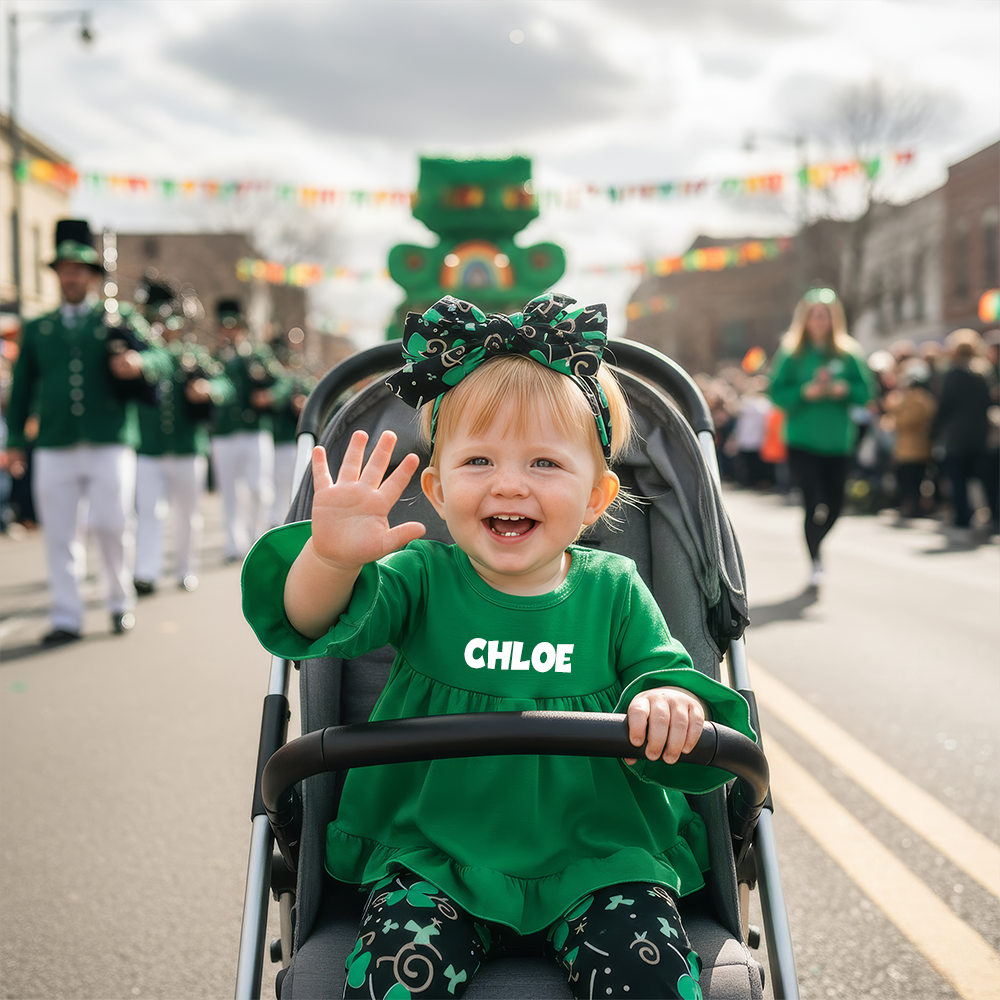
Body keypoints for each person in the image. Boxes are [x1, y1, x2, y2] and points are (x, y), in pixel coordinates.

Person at [242, 294, 756, 1000]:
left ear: (598, 496)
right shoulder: (419, 577)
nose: (509, 483)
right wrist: (331, 561)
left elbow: (665, 673)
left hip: (601, 858)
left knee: (653, 978)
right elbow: (309, 621)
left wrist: (668, 702)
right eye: (478, 460)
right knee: (393, 980)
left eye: (545, 463)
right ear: (437, 487)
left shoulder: (616, 589)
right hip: (436, 857)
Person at [3, 219, 172, 645]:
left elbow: (162, 360)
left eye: (78, 269)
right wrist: (16, 443)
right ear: (57, 274)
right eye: (63, 268)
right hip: (55, 443)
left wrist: (139, 364)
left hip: (109, 439)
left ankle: (119, 601)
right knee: (61, 532)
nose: (70, 276)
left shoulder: (119, 318)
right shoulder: (39, 328)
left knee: (113, 524)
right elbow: (22, 390)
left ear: (92, 276)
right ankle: (67, 615)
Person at [133, 278, 235, 594]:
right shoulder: (141, 352)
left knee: (186, 515)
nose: (162, 329)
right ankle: (146, 571)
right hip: (148, 448)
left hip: (187, 447)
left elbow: (226, 386)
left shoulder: (190, 355)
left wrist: (208, 390)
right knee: (148, 512)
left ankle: (185, 568)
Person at [768, 288, 876, 587]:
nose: (820, 320)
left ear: (834, 318)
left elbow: (867, 391)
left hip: (838, 441)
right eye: (815, 314)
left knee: (837, 504)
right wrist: (804, 392)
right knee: (812, 501)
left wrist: (845, 390)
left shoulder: (848, 352)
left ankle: (817, 545)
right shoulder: (792, 353)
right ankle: (815, 558)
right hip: (802, 440)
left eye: (825, 314)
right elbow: (776, 394)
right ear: (805, 318)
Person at [209, 299, 289, 563]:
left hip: (255, 431)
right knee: (230, 492)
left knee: (259, 488)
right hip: (223, 433)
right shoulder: (213, 357)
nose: (229, 332)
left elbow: (282, 382)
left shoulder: (257, 355)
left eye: (234, 327)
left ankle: (257, 536)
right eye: (225, 327)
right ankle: (234, 543)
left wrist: (270, 396)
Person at [930, 328, 999, 539]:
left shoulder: (954, 373)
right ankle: (995, 517)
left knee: (958, 480)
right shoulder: (985, 372)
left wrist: (933, 433)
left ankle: (963, 520)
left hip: (957, 436)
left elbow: (945, 406)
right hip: (981, 435)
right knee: (988, 480)